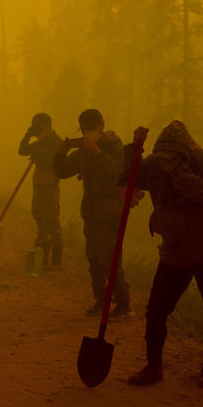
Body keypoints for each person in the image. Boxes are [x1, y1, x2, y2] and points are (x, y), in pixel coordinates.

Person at [124, 121, 203, 389]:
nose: (165, 162)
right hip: (174, 247)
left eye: (170, 158)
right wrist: (134, 151)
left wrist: (177, 171)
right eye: (163, 158)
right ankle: (153, 365)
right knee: (157, 308)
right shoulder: (154, 164)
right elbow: (127, 179)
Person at [54, 109, 132, 317]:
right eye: (83, 130)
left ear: (100, 126)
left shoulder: (114, 146)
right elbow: (63, 171)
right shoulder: (83, 151)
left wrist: (97, 153)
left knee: (110, 259)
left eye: (89, 129)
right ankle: (101, 299)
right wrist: (61, 153)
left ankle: (123, 304)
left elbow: (118, 173)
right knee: (94, 260)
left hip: (109, 212)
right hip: (90, 212)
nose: (86, 133)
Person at [19, 113, 63, 269]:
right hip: (38, 184)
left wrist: (39, 156)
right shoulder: (39, 142)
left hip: (50, 185)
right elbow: (22, 150)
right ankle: (43, 254)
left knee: (51, 219)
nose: (38, 130)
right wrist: (28, 135)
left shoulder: (57, 142)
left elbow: (56, 165)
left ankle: (56, 260)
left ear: (48, 125)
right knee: (37, 214)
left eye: (40, 126)